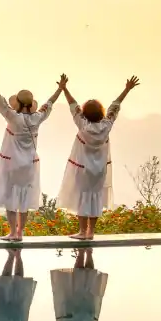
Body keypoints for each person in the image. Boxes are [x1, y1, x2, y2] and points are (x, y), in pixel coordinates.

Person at [0, 68, 66, 241]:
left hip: (12, 163)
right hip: (30, 164)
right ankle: (20, 232)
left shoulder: (13, 117)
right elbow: (49, 104)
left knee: (11, 197)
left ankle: (12, 233)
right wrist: (60, 89)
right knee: (23, 199)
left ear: (18, 103)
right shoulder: (37, 118)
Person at [57, 76, 141, 240]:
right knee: (95, 198)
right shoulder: (106, 125)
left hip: (82, 170)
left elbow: (72, 105)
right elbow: (115, 106)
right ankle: (91, 231)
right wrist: (127, 89)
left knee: (83, 197)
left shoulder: (83, 125)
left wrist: (64, 89)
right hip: (99, 170)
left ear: (85, 113)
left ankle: (82, 231)